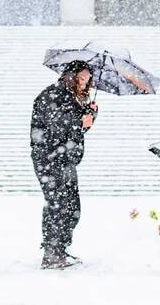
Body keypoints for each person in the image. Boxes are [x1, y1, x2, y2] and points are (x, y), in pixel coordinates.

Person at [30, 60, 98, 269]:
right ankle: (52, 254)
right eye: (82, 77)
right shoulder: (52, 95)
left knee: (72, 207)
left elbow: (75, 130)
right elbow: (56, 124)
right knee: (58, 206)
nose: (85, 83)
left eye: (87, 79)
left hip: (66, 160)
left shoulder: (73, 98)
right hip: (49, 160)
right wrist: (80, 120)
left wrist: (90, 115)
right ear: (71, 76)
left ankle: (60, 249)